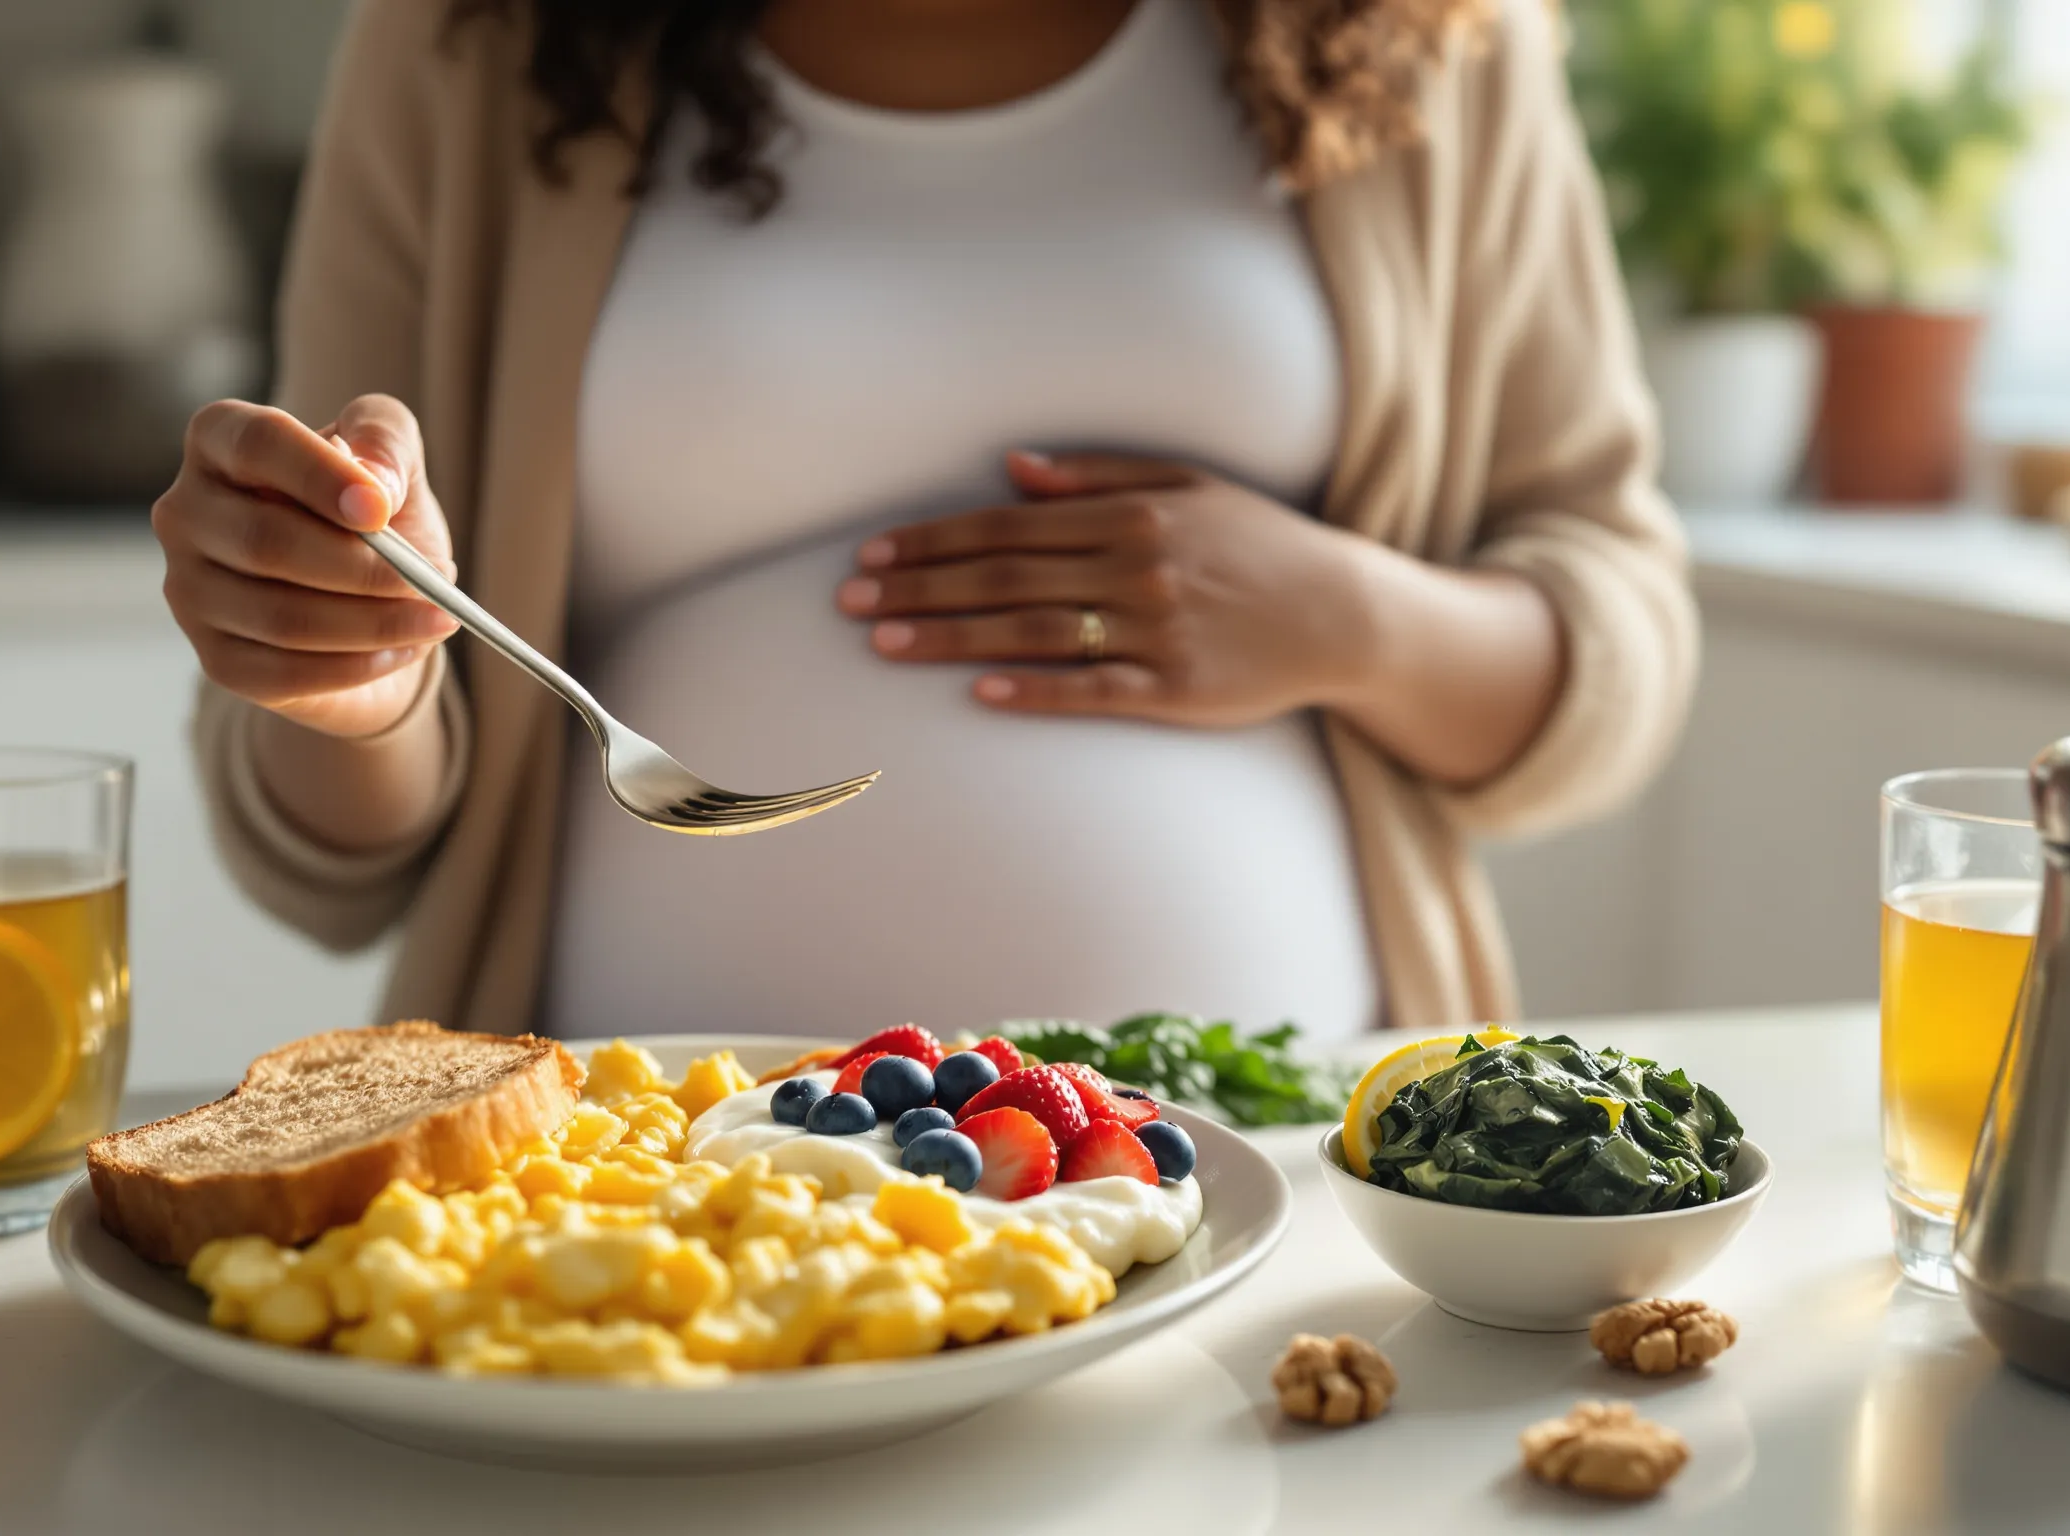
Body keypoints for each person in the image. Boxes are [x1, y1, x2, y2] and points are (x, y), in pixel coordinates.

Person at [151, 0, 1695, 1043]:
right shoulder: (468, 37)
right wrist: (353, 682)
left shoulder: (1431, 29)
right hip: (641, 1217)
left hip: (1290, 1193)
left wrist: (1350, 622)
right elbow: (333, 859)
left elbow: (1614, 611)